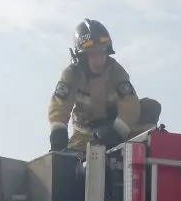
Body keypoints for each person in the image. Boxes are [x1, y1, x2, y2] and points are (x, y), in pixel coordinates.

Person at [48, 19, 162, 153]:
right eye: (93, 54)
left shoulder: (116, 72)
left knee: (150, 107)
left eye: (102, 52)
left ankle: (144, 149)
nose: (99, 59)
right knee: (72, 164)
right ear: (82, 56)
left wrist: (116, 133)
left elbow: (130, 105)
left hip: (113, 128)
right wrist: (58, 138)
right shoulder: (71, 75)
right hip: (84, 137)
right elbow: (59, 107)